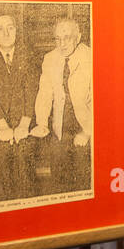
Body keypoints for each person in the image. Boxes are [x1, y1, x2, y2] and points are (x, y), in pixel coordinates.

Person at [30, 18, 92, 193]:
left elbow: (100, 99)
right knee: (59, 178)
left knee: (84, 178)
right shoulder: (49, 59)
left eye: (67, 37)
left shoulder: (91, 56)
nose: (62, 44)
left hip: (87, 125)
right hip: (61, 127)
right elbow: (44, 94)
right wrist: (42, 122)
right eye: (57, 39)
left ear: (78, 37)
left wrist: (86, 132)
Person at [0, 13, 38, 203]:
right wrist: (0, 125)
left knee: (24, 162)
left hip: (26, 122)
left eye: (10, 27)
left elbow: (32, 90)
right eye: (0, 28)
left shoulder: (28, 52)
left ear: (17, 30)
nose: (6, 33)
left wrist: (24, 124)